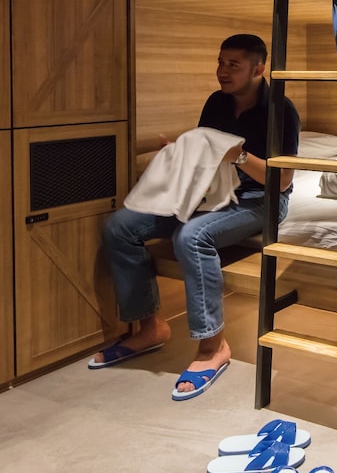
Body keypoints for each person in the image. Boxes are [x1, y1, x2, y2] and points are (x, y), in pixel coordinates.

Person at [90, 34, 300, 400]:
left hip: (260, 199)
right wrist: (176, 154)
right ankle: (151, 327)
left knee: (191, 236)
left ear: (258, 69)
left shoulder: (281, 110)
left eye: (233, 65)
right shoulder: (216, 103)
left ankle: (212, 347)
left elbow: (281, 181)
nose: (222, 71)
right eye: (220, 62)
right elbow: (204, 155)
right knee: (120, 227)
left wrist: (238, 156)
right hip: (212, 194)